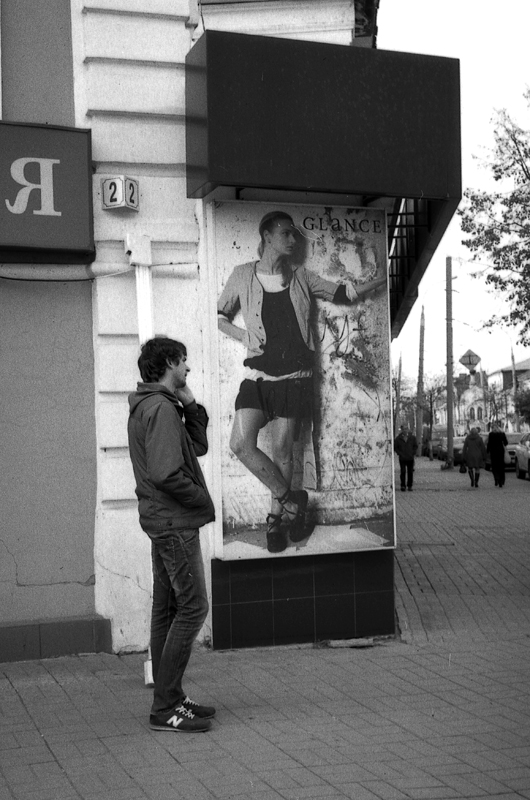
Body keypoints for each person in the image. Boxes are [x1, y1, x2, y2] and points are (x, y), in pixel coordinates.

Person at [217, 210, 386, 554]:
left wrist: (382, 280)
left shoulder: (302, 277)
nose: (293, 240)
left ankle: (275, 519)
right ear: (267, 236)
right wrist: (243, 335)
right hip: (257, 377)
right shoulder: (242, 275)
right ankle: (294, 502)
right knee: (240, 444)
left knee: (283, 451)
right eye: (286, 233)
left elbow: (344, 294)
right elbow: (220, 316)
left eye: (295, 235)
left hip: (294, 378)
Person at [127, 337, 216, 733]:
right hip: (174, 523)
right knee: (194, 607)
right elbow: (166, 473)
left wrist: (191, 405)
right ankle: (165, 706)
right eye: (183, 361)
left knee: (166, 609)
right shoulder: (160, 409)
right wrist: (200, 498)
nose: (188, 368)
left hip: (162, 521)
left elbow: (195, 446)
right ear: (168, 363)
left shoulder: (154, 405)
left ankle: (171, 698)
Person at [393, 424, 418, 491]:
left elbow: (415, 446)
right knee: (403, 471)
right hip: (402, 458)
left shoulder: (412, 438)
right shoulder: (398, 439)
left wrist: (413, 453)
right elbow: (395, 447)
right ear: (401, 430)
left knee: (410, 472)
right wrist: (399, 453)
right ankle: (403, 485)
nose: (405, 430)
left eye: (406, 429)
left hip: (410, 457)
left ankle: (409, 485)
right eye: (404, 429)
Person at [486, 422, 509, 488]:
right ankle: (501, 481)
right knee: (501, 466)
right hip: (500, 451)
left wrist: (487, 451)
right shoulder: (502, 434)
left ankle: (496, 478)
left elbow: (489, 443)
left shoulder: (491, 434)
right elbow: (506, 443)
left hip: (493, 452)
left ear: (492, 428)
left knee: (494, 466)